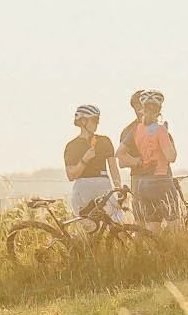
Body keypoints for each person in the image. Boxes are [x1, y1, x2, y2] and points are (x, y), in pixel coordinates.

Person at [116, 90, 181, 222]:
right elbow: (171, 157)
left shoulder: (134, 130)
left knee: (149, 226)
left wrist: (140, 161)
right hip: (161, 179)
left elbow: (119, 154)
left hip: (143, 183)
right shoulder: (161, 129)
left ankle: (150, 243)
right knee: (173, 224)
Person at [64, 105, 121, 218]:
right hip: (83, 186)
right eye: (94, 120)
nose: (97, 123)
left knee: (118, 221)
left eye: (98, 120)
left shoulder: (105, 141)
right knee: (89, 227)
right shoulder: (72, 146)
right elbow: (71, 175)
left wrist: (119, 189)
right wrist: (84, 160)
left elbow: (113, 168)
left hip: (104, 184)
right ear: (83, 121)